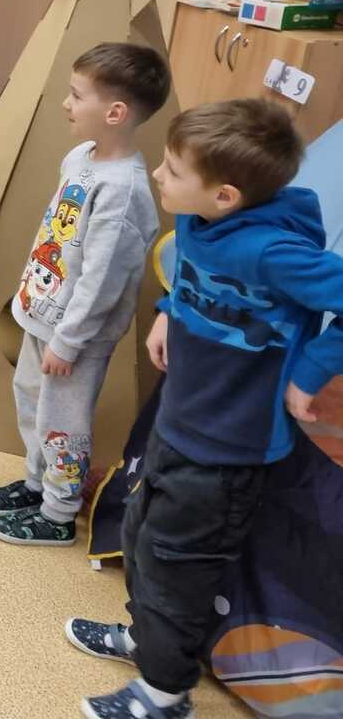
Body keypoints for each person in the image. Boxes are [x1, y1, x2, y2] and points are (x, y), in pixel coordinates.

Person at [67, 99, 343, 719]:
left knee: (176, 569)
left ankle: (165, 695)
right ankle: (147, 643)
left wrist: (311, 371)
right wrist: (169, 312)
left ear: (224, 195)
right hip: (178, 421)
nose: (157, 175)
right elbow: (193, 272)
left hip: (229, 451)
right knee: (139, 537)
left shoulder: (272, 252)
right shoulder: (198, 218)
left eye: (171, 169)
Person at [0, 42, 170, 546]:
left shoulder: (123, 191)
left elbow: (103, 279)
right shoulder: (80, 157)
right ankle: (37, 484)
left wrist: (69, 340)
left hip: (76, 336)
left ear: (115, 113)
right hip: (43, 316)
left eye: (77, 95)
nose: (67, 103)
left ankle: (59, 513)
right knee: (31, 402)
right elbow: (59, 238)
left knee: (63, 422)